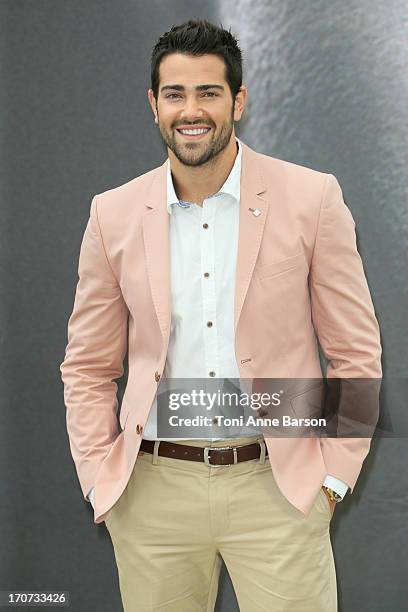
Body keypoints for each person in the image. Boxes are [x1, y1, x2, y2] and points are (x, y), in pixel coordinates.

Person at [60, 17, 382, 612]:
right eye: (175, 94)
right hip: (153, 493)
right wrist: (98, 472)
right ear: (154, 105)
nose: (192, 110)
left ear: (238, 101)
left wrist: (332, 480)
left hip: (277, 484)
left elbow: (355, 351)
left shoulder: (312, 198)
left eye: (209, 92)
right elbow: (86, 364)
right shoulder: (113, 213)